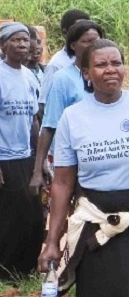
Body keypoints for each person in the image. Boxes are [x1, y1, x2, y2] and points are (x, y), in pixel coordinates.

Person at [37, 39, 129, 297]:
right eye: (101, 64)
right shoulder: (72, 117)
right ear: (86, 73)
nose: (110, 69)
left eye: (116, 63)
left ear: (125, 69)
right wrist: (52, 240)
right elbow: (62, 183)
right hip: (93, 222)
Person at [32, 20, 104, 198]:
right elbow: (49, 125)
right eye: (87, 41)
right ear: (73, 45)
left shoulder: (104, 76)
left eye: (97, 40)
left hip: (101, 157)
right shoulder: (62, 79)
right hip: (71, 161)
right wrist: (38, 170)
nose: (93, 46)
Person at [0, 22, 44, 281]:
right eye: (16, 40)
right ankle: (7, 272)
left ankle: (27, 269)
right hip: (4, 158)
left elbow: (34, 121)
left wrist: (41, 161)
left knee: (33, 218)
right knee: (10, 218)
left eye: (26, 40)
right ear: (3, 45)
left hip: (26, 157)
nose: (23, 45)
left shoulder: (29, 76)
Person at [38, 9, 90, 117]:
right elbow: (44, 105)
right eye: (78, 30)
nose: (84, 34)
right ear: (65, 32)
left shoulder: (95, 61)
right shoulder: (57, 65)